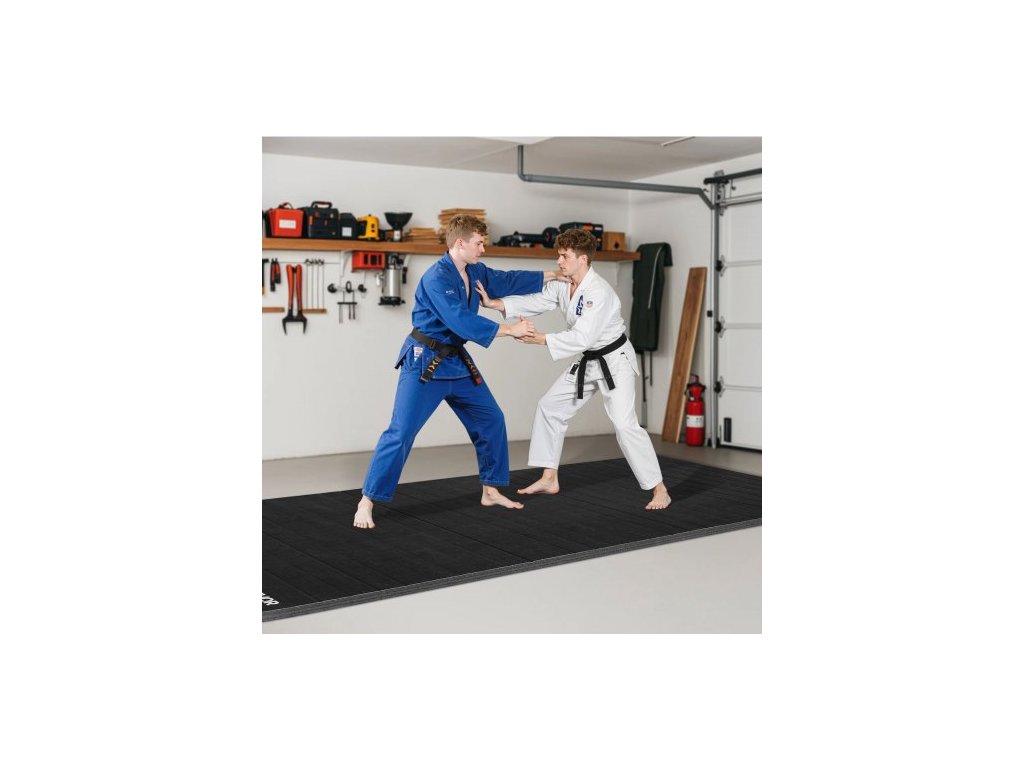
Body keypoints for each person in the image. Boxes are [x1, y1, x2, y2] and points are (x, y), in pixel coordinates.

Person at [354, 214, 565, 529]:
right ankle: (367, 500)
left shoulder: (474, 270)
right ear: (460, 243)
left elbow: (506, 280)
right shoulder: (436, 278)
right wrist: (510, 330)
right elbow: (460, 321)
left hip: (456, 361)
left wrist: (552, 275)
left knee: (491, 419)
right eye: (479, 243)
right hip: (425, 362)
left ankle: (490, 490)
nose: (483, 249)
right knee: (401, 432)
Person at [475, 228, 672, 510]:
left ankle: (659, 489)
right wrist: (496, 304)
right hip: (589, 360)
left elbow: (583, 337)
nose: (559, 261)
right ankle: (549, 477)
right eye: (559, 255)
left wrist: (539, 339)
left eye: (565, 256)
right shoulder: (564, 283)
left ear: (583, 259)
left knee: (624, 424)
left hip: (614, 361)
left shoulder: (599, 292)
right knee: (550, 407)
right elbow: (537, 301)